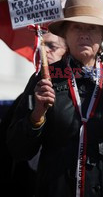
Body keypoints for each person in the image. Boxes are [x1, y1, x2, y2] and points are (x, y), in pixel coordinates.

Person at [6, 0, 103, 197]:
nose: (84, 33)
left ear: (102, 35)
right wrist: (36, 117)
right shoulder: (44, 78)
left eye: (92, 27)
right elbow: (17, 149)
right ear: (65, 33)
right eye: (77, 26)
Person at [0, 32, 66, 197]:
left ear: (67, 52)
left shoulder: (81, 95)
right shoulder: (23, 98)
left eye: (52, 46)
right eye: (41, 46)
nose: (44, 51)